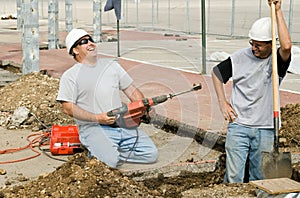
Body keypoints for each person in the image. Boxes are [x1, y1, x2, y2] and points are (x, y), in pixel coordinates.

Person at [211, 0, 291, 183]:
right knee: (233, 177)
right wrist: (222, 102)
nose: (253, 48)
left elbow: (286, 46)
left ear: (271, 43)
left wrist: (278, 10)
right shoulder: (239, 57)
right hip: (239, 126)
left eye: (259, 45)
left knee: (260, 178)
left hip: (266, 128)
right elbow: (216, 73)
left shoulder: (277, 63)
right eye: (252, 43)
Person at [57, 28, 158, 168]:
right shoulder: (70, 76)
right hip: (94, 128)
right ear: (75, 50)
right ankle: (102, 152)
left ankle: (105, 153)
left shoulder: (112, 66)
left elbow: (132, 91)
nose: (91, 43)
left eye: (91, 39)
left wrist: (143, 106)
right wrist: (98, 118)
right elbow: (67, 108)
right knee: (111, 162)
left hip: (121, 125)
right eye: (84, 42)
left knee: (150, 154)